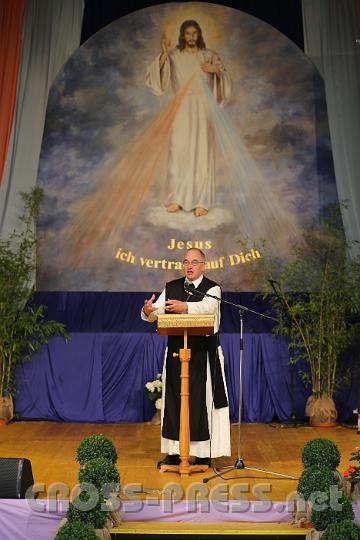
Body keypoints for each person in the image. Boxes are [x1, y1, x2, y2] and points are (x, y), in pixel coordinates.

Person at [141, 248, 231, 467]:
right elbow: (156, 313)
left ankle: (202, 454)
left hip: (204, 354)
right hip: (176, 354)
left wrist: (185, 307)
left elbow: (208, 309)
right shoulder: (172, 287)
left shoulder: (213, 289)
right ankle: (173, 452)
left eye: (194, 262)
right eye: (186, 262)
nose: (189, 266)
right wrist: (148, 310)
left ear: (203, 265)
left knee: (203, 400)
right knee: (174, 400)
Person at [146, 20, 231, 217]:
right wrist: (164, 53)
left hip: (203, 107)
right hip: (181, 107)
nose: (191, 37)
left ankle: (201, 200)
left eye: (194, 33)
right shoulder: (174, 55)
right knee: (178, 151)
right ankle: (176, 198)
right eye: (187, 33)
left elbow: (224, 78)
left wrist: (216, 71)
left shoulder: (209, 55)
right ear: (182, 36)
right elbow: (155, 78)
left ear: (199, 34)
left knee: (201, 153)